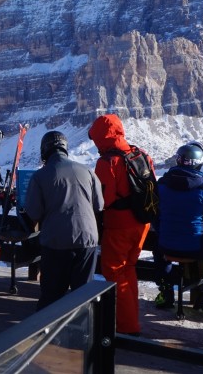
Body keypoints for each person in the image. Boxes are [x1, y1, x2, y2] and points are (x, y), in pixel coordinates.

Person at [24, 130, 103, 310]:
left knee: (52, 296)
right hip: (87, 239)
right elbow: (99, 205)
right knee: (82, 295)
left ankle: (47, 326)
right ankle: (81, 325)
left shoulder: (39, 176)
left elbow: (34, 212)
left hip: (56, 241)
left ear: (45, 150)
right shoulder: (87, 171)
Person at [88, 113, 152, 335]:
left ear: (101, 137)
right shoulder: (140, 154)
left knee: (114, 273)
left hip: (119, 226)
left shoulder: (107, 162)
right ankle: (131, 319)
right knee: (129, 269)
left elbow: (103, 201)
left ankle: (126, 326)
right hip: (142, 223)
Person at [152, 142, 203, 314]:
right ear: (199, 163)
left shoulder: (162, 185)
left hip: (166, 244)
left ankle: (166, 292)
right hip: (195, 246)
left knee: (158, 250)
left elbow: (154, 214)